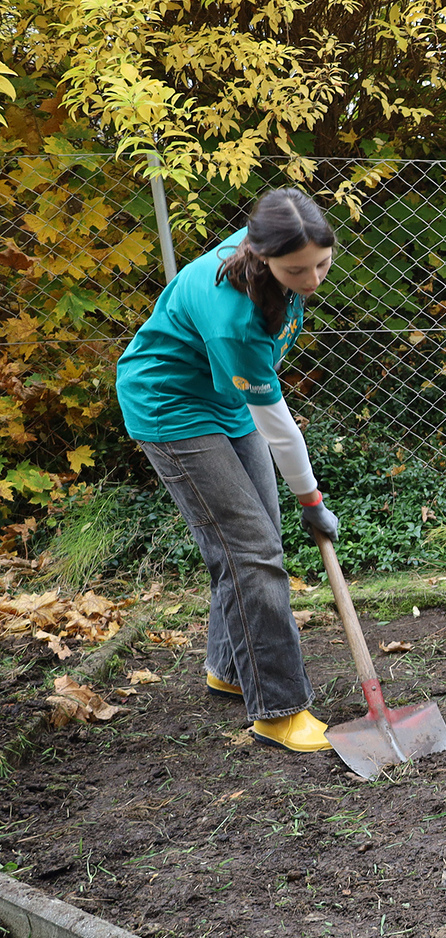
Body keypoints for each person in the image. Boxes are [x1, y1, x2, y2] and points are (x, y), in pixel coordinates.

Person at [115, 188, 341, 753]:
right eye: (296, 271)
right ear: (261, 256)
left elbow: (264, 409)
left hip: (227, 400)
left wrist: (303, 501)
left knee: (255, 540)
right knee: (251, 550)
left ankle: (229, 668)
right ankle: (279, 711)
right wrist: (311, 500)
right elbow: (280, 429)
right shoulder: (233, 317)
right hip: (171, 405)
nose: (312, 280)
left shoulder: (276, 249)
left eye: (321, 263)